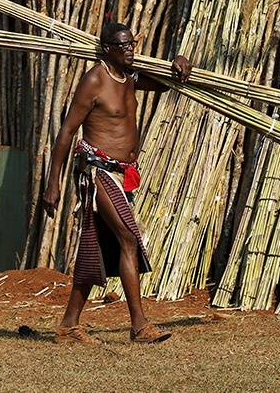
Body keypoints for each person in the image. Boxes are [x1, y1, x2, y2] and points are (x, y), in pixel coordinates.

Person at [42, 22, 192, 344]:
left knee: (98, 248)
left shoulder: (131, 78)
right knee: (127, 240)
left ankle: (69, 325)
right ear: (107, 48)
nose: (130, 50)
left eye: (132, 44)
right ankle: (139, 326)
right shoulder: (95, 80)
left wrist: (178, 61)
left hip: (125, 174)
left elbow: (166, 83)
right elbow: (67, 131)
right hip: (98, 172)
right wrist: (52, 184)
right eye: (123, 46)